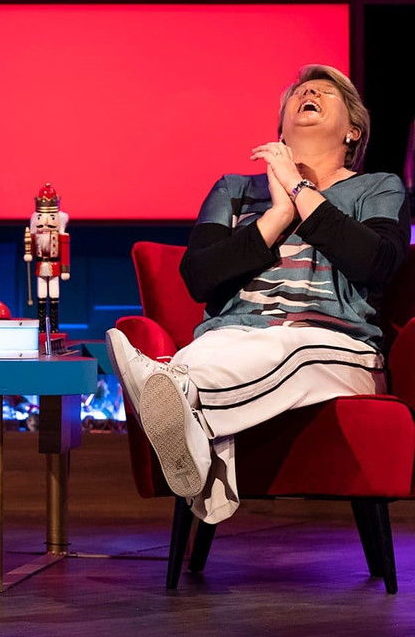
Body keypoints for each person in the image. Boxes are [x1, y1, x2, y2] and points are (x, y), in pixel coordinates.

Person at [106, 64, 410, 524]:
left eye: (324, 92)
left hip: (334, 340)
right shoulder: (235, 190)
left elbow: (376, 263)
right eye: (299, 93)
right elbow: (200, 277)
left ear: (353, 131)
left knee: (288, 346)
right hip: (232, 332)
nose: (308, 93)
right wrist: (277, 215)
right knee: (206, 353)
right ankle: (184, 407)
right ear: (281, 128)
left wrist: (299, 189)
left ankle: (180, 405)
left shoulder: (377, 187)